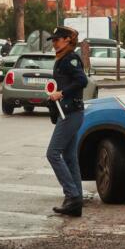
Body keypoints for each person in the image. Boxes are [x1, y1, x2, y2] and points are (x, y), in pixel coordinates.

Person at [45, 26, 89, 217]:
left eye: (57, 40)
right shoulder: (62, 58)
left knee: (53, 153)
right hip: (69, 112)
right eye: (53, 40)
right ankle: (76, 201)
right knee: (70, 157)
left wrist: (61, 93)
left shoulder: (70, 59)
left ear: (66, 40)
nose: (54, 43)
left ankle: (71, 195)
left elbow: (82, 81)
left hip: (71, 113)